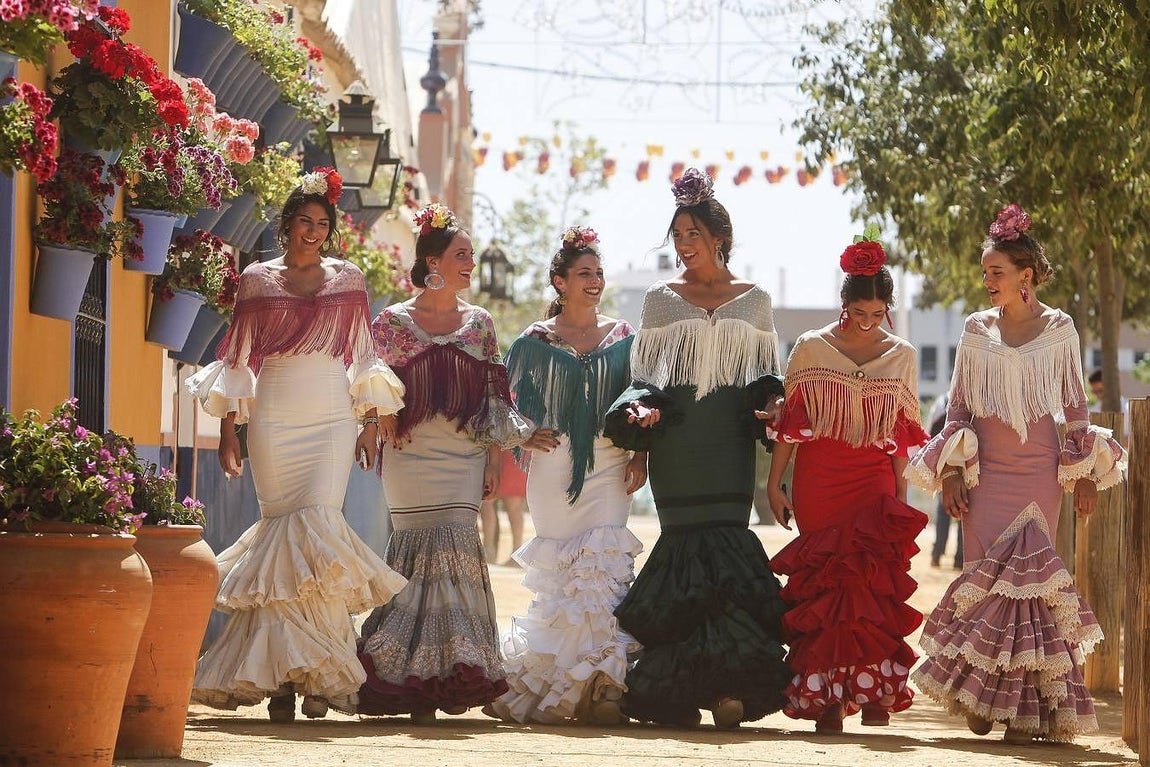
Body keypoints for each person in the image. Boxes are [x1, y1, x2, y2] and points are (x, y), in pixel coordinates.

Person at [186, 168, 408, 722]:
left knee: (320, 535)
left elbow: (363, 353)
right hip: (274, 415)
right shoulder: (256, 279)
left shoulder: (348, 278)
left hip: (332, 415)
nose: (313, 231)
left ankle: (320, 676)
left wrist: (370, 421)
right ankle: (282, 681)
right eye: (304, 221)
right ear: (286, 225)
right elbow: (239, 357)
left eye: (322, 224)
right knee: (283, 541)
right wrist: (229, 428)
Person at [906, 204, 1128, 743]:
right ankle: (986, 694)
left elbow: (1075, 404)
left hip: (1038, 474)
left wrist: (1082, 475)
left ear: (1025, 276)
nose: (988, 281)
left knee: (1030, 587)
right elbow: (959, 408)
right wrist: (952, 471)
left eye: (996, 272)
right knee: (984, 584)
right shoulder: (975, 329)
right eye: (985, 272)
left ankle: (1021, 710)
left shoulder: (1060, 328)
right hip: (986, 476)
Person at [603, 168, 791, 729]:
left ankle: (730, 691)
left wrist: (774, 406)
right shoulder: (660, 301)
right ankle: (680, 693)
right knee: (686, 559)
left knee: (727, 559)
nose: (684, 244)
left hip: (729, 445)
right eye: (678, 235)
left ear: (719, 238)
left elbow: (766, 377)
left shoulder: (755, 301)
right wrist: (639, 448)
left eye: (693, 234)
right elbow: (644, 380)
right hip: (677, 448)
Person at [357, 203, 532, 724]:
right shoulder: (392, 322)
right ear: (432, 262)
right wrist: (372, 423)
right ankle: (405, 675)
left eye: (471, 256)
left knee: (456, 549)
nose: (470, 264)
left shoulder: (480, 324)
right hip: (408, 456)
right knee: (414, 558)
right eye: (462, 255)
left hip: (463, 456)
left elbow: (494, 398)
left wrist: (494, 459)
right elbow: (372, 383)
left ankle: (454, 671)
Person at [765, 233, 929, 733]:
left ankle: (875, 693)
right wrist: (775, 484)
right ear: (844, 304)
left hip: (872, 482)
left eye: (877, 313)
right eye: (859, 311)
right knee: (828, 590)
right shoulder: (811, 347)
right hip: (819, 480)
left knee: (871, 586)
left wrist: (900, 496)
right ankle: (829, 701)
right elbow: (791, 424)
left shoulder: (902, 355)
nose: (868, 321)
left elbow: (900, 437)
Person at [488, 226, 645, 726]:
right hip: (553, 467)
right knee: (562, 584)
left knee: (603, 571)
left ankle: (604, 688)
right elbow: (500, 400)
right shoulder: (535, 339)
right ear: (560, 281)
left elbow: (642, 397)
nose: (594, 281)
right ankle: (563, 686)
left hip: (610, 462)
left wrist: (640, 455)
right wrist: (523, 434)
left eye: (598, 272)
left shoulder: (624, 336)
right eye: (583, 273)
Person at [927, 393, 963, 569]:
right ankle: (960, 559)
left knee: (943, 510)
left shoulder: (941, 401)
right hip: (965, 462)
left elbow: (930, 433)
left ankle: (937, 553)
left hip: (944, 463)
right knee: (964, 510)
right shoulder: (970, 399)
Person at [479, 450, 527, 565]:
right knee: (513, 507)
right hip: (513, 451)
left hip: (500, 453)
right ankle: (517, 553)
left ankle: (489, 551)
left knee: (487, 502)